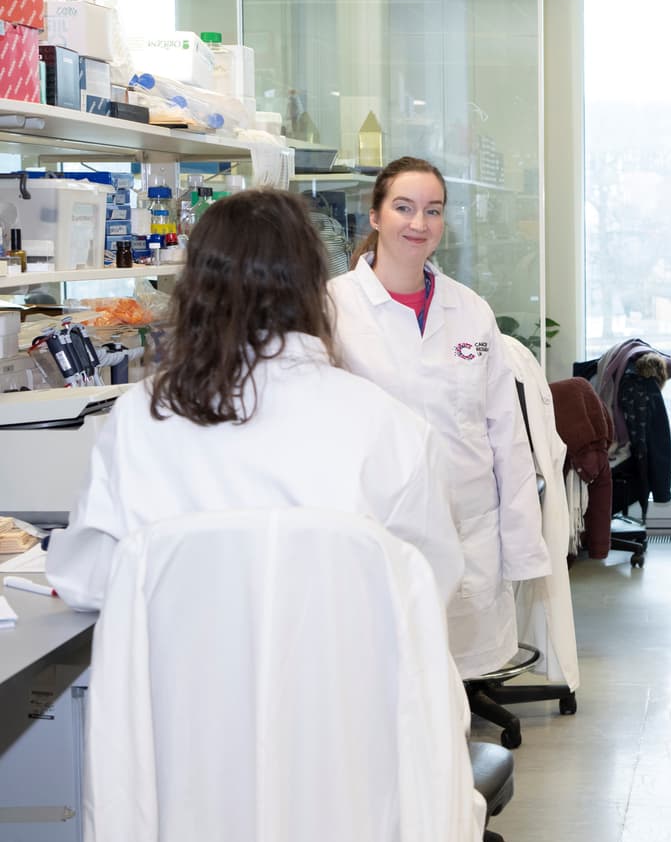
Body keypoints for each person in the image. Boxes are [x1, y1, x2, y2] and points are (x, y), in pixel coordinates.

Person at [47, 186, 465, 610]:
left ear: (195, 291)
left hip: (187, 655)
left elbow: (83, 579)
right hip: (331, 653)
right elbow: (428, 587)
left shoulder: (143, 413)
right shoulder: (390, 426)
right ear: (315, 288)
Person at [328, 157, 551, 678]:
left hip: (470, 527)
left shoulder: (470, 311)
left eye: (433, 210)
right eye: (403, 208)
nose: (419, 223)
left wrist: (522, 545)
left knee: (459, 676)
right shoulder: (333, 309)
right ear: (375, 216)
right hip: (379, 527)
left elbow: (507, 437)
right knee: (386, 679)